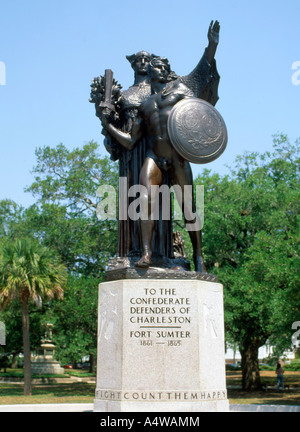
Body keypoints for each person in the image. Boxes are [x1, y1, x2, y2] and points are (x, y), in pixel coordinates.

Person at [100, 21, 220, 272]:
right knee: (144, 198)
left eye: (166, 66)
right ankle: (145, 254)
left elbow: (202, 69)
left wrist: (211, 45)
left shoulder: (182, 89)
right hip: (154, 155)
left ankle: (198, 257)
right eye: (160, 66)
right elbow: (131, 141)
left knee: (188, 208)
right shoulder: (145, 107)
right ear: (152, 71)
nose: (164, 69)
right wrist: (106, 123)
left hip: (177, 157)